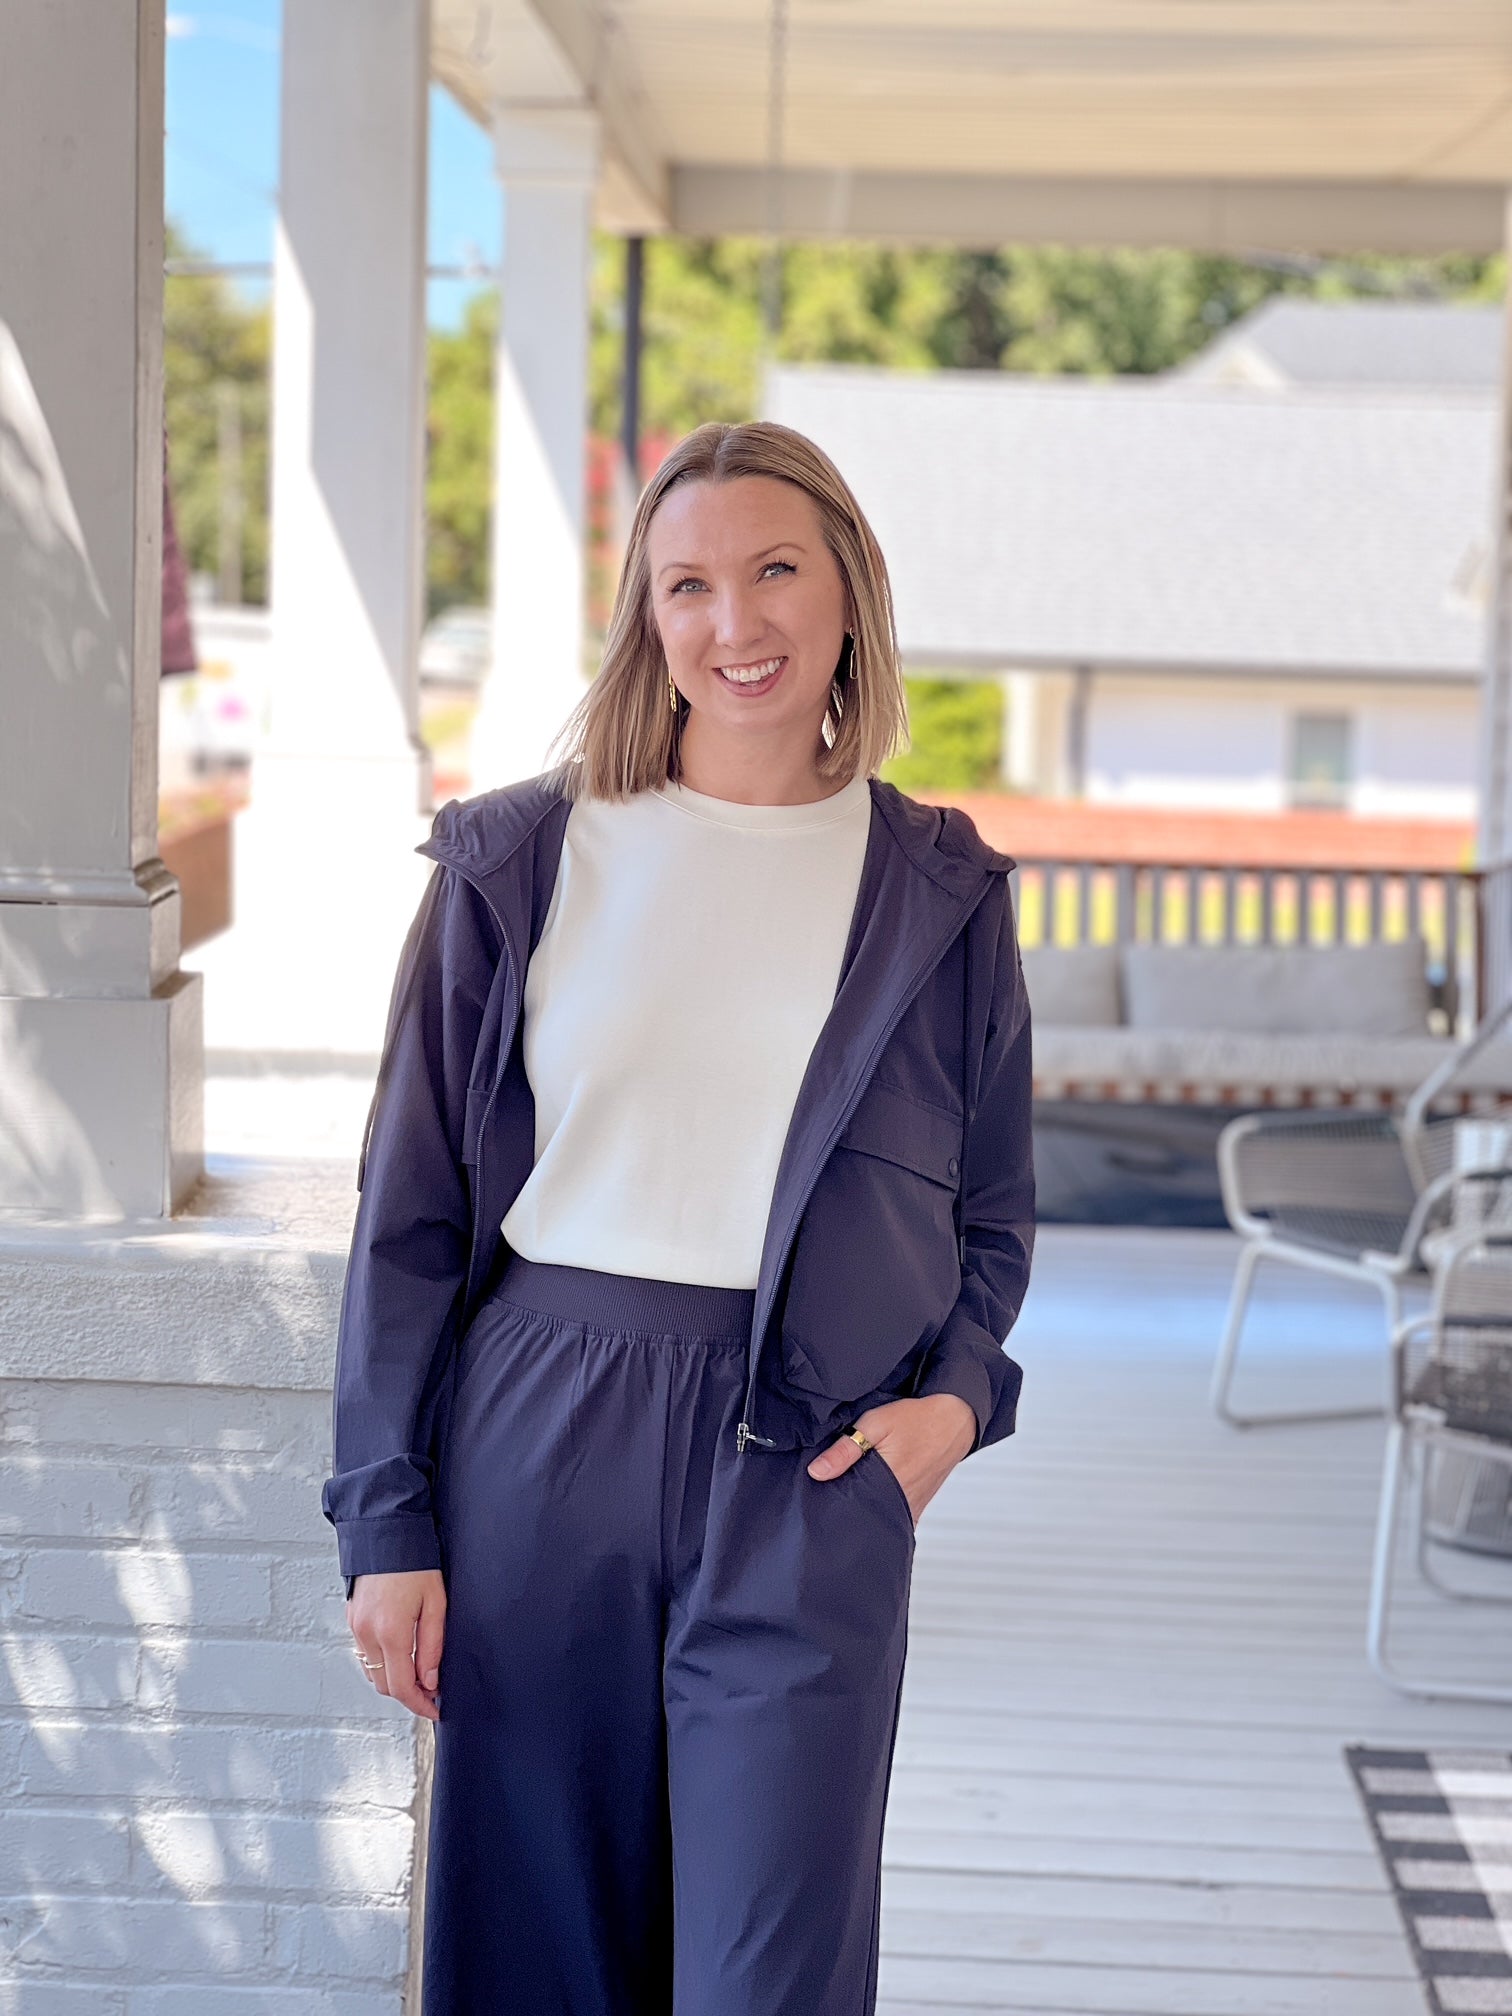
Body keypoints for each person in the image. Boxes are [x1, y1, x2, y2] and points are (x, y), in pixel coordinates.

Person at [321, 419, 1036, 2015]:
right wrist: (388, 1519)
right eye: (688, 585)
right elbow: (411, 1216)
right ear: (648, 619)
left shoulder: (942, 893)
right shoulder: (518, 859)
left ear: (849, 586)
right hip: (541, 1437)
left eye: (777, 569)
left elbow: (994, 1216)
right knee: (538, 1959)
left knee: (766, 1979)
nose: (736, 623)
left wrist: (953, 1412)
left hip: (815, 1461)